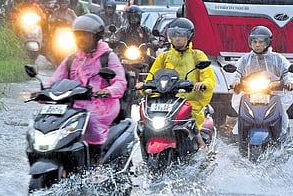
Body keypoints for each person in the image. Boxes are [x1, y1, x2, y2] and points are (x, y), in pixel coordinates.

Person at [46, 13, 127, 167]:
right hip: (73, 106)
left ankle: (97, 164)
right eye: (78, 35)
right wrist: (44, 92)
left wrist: (107, 91)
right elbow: (55, 80)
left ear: (96, 37)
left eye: (85, 35)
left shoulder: (107, 57)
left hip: (102, 105)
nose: (81, 39)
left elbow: (120, 82)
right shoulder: (72, 58)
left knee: (92, 121)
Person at [138, 18, 215, 152]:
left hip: (189, 100)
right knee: (144, 123)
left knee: (192, 118)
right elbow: (152, 76)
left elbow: (208, 78)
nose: (177, 39)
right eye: (174, 35)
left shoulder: (197, 55)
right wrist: (145, 87)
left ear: (189, 36)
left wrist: (203, 84)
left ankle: (202, 148)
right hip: (165, 99)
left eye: (181, 35)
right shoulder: (164, 57)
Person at [231, 26, 293, 136]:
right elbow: (237, 72)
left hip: (273, 93)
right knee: (242, 115)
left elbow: (287, 72)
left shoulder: (277, 58)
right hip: (250, 93)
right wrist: (235, 81)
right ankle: (241, 137)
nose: (257, 45)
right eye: (254, 41)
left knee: (283, 118)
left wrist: (288, 82)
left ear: (267, 42)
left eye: (260, 42)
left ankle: (281, 136)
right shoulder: (245, 59)